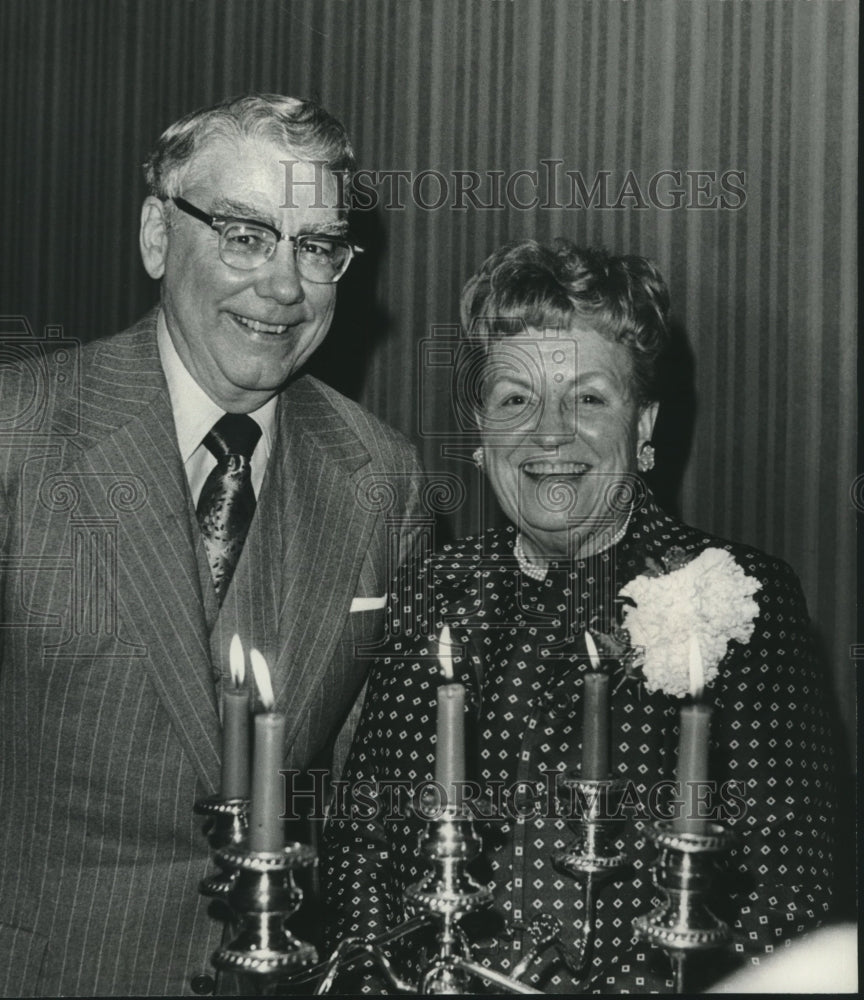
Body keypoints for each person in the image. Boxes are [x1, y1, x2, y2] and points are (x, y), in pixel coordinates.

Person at [320, 240, 838, 993]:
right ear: (480, 430)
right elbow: (363, 850)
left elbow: (785, 897)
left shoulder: (741, 597)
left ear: (646, 424)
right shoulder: (431, 590)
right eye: (515, 400)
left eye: (589, 397)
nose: (550, 431)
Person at [0, 94, 421, 997]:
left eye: (316, 247)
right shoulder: (19, 433)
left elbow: (361, 807)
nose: (283, 286)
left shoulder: (385, 480)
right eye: (244, 234)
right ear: (159, 235)